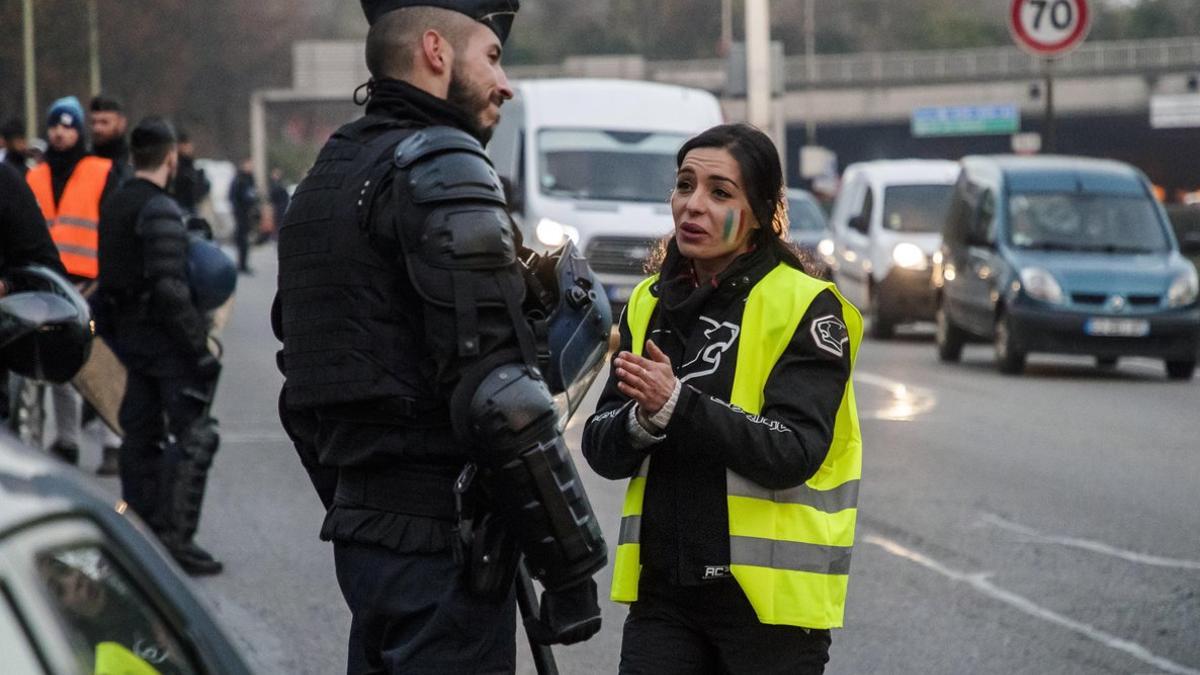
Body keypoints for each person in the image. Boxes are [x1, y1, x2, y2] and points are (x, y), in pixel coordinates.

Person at [273, 2, 607, 672]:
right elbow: (502, 396)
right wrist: (569, 567)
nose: (504, 82)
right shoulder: (444, 163)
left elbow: (302, 388)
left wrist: (360, 501)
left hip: (367, 536)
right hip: (443, 544)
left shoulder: (328, 174)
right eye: (492, 55)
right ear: (436, 50)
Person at [582, 123, 864, 675]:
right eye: (685, 185)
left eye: (720, 192)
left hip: (767, 611)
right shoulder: (647, 301)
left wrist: (676, 405)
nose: (693, 205)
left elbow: (793, 452)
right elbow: (601, 446)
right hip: (664, 596)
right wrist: (641, 420)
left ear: (761, 212)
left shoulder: (806, 305)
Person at [96, 117, 224, 576]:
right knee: (194, 437)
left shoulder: (114, 204)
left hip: (130, 340)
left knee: (140, 435)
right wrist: (200, 350)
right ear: (171, 156)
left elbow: (106, 282)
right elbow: (171, 289)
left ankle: (141, 533)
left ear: (133, 155)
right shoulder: (161, 210)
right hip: (165, 342)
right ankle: (176, 539)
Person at [25, 96, 118, 466]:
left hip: (92, 282)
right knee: (59, 365)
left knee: (98, 365)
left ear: (78, 131)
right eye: (54, 126)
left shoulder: (100, 170)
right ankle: (67, 441)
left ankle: (113, 443)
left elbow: (110, 226)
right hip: (50, 283)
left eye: (68, 126)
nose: (60, 133)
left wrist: (106, 275)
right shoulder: (35, 175)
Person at [89, 95, 133, 187]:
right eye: (94, 122)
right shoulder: (84, 162)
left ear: (121, 123)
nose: (97, 129)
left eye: (104, 122)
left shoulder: (134, 161)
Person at [228, 159, 258, 274]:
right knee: (241, 239)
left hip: (247, 213)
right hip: (241, 214)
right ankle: (241, 264)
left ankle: (244, 263)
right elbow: (233, 196)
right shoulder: (239, 179)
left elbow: (253, 195)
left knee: (245, 239)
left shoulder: (250, 179)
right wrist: (237, 210)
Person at [172, 130, 209, 216]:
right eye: (187, 144)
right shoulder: (176, 164)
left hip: (191, 204)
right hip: (181, 205)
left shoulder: (189, 163)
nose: (190, 147)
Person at [266, 167, 289, 239]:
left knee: (279, 221)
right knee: (276, 221)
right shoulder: (275, 184)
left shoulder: (279, 184)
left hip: (280, 205)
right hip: (277, 205)